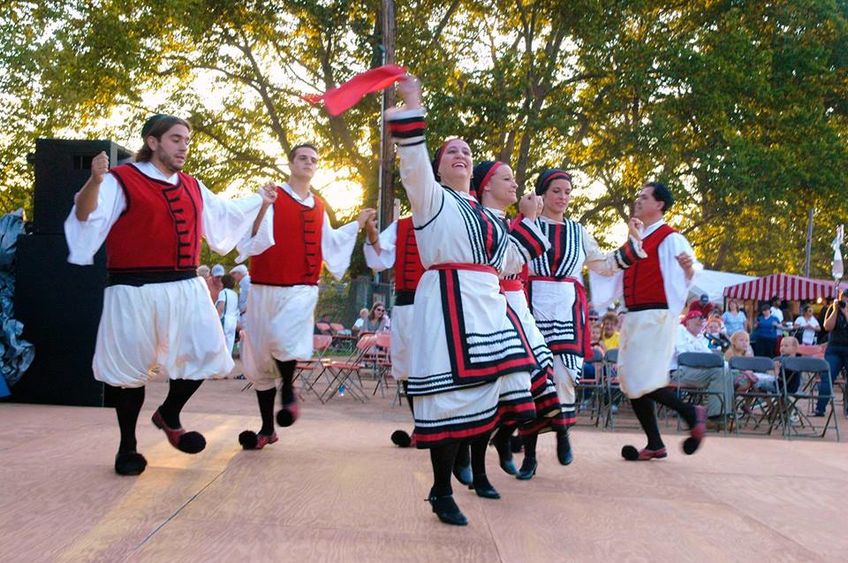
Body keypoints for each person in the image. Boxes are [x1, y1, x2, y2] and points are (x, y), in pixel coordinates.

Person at [64, 114, 275, 475]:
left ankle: (170, 413)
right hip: (133, 288)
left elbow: (227, 215)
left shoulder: (193, 185)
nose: (184, 146)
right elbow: (85, 215)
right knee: (130, 372)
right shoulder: (121, 180)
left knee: (209, 354)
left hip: (185, 286)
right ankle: (127, 447)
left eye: (187, 140)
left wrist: (261, 201)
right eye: (176, 138)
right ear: (153, 142)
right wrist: (94, 181)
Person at [385, 75, 542, 526]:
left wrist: (529, 223)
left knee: (510, 385)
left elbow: (508, 260)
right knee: (449, 396)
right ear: (438, 168)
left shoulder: (484, 216)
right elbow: (412, 158)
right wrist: (413, 100)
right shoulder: (430, 198)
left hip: (487, 303)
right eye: (451, 151)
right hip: (447, 301)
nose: (460, 155)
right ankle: (441, 488)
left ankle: (475, 462)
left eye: (467, 152)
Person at [236, 142, 375, 450]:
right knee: (260, 359)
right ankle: (266, 429)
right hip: (263, 286)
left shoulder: (320, 205)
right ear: (291, 163)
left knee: (282, 338)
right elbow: (249, 236)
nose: (309, 162)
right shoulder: (271, 195)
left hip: (301, 287)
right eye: (303, 158)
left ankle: (288, 387)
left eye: (314, 159)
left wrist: (357, 223)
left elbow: (331, 242)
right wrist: (262, 205)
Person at [520, 167, 644, 476]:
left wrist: (632, 244)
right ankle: (530, 455)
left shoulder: (578, 231)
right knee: (535, 379)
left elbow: (602, 265)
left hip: (567, 308)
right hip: (533, 306)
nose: (562, 197)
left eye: (567, 192)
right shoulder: (528, 225)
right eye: (556, 191)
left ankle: (562, 432)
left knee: (563, 375)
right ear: (542, 194)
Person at [590, 181, 707, 461]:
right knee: (630, 380)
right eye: (638, 196)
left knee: (645, 378)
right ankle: (655, 443)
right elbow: (615, 270)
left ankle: (691, 413)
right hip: (634, 317)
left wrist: (690, 269)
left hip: (656, 316)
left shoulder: (670, 237)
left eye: (644, 197)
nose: (638, 200)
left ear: (660, 205)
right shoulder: (637, 240)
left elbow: (692, 266)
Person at [470, 160, 559, 480]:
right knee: (497, 381)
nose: (515, 184)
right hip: (489, 303)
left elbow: (518, 260)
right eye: (506, 178)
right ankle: (474, 458)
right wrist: (530, 218)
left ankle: (506, 441)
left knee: (534, 372)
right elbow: (501, 261)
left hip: (515, 302)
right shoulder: (479, 220)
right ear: (487, 186)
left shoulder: (508, 221)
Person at [671, 311, 735, 428]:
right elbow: (684, 355)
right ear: (688, 321)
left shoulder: (700, 339)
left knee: (726, 371)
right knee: (720, 372)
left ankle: (723, 416)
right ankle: (715, 417)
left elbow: (712, 359)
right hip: (679, 372)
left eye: (702, 319)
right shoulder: (679, 331)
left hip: (697, 372)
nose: (700, 321)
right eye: (696, 318)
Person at [819, 290, 848, 416]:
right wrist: (836, 310)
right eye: (843, 299)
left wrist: (846, 313)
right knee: (827, 377)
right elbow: (827, 327)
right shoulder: (834, 308)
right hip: (834, 348)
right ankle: (820, 408)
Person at [216, 274, 239, 355]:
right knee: (229, 343)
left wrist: (216, 320)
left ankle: (220, 363)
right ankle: (228, 363)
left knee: (221, 342)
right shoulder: (235, 294)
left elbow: (221, 307)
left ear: (223, 283)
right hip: (233, 321)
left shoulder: (223, 292)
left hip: (225, 320)